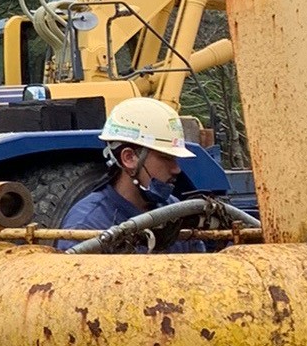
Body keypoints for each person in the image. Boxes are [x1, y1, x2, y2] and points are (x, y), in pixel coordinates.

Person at [57, 96, 201, 252]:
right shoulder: (88, 225)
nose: (176, 169)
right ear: (129, 158)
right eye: (166, 158)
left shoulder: (174, 211)